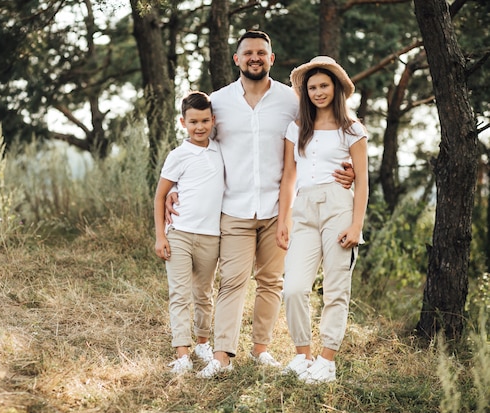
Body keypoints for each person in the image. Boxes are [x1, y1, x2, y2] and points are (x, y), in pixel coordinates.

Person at [167, 31, 356, 379]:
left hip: (279, 210)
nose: (255, 58)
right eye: (248, 53)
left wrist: (348, 169)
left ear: (272, 59)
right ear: (237, 59)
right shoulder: (219, 102)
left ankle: (261, 350)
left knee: (271, 282)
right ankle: (222, 357)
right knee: (232, 282)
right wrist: (175, 187)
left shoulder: (291, 100)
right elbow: (196, 140)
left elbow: (331, 128)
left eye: (262, 53)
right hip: (233, 208)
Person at [276, 56, 368, 384]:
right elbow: (289, 175)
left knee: (335, 287)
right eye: (312, 87)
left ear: (336, 88)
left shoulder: (352, 129)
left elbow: (363, 181)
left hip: (338, 206)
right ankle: (304, 356)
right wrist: (282, 219)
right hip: (303, 208)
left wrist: (356, 225)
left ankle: (327, 361)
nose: (317, 92)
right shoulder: (297, 127)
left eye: (323, 86)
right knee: (294, 288)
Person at [153, 91, 223, 374]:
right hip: (179, 234)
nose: (200, 127)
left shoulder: (221, 151)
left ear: (213, 120)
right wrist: (160, 236)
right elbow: (160, 196)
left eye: (205, 120)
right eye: (193, 121)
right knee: (179, 294)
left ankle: (203, 344)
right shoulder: (178, 155)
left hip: (211, 236)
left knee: (204, 293)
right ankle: (182, 353)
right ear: (183, 122)